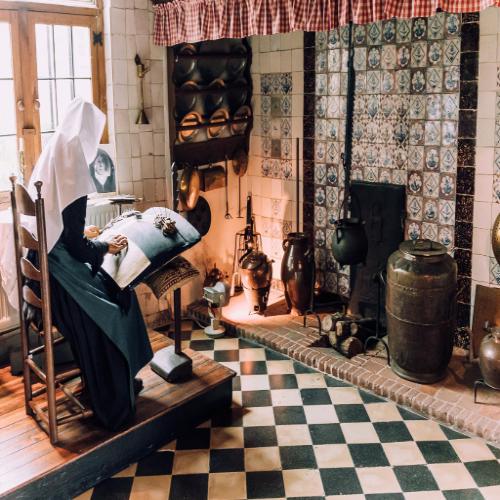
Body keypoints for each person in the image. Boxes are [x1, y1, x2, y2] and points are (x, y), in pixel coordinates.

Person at [26, 98, 153, 430]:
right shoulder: (72, 162)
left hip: (43, 269)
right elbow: (75, 247)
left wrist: (84, 235)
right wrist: (104, 245)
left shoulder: (55, 149)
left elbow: (60, 225)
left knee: (115, 294)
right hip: (58, 279)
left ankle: (118, 381)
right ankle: (113, 396)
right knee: (118, 304)